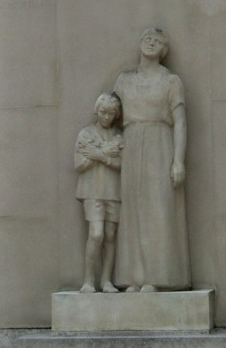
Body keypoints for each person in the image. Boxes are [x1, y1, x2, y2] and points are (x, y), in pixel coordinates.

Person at [113, 28, 190, 292]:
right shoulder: (123, 81)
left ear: (163, 50)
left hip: (160, 143)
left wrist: (178, 160)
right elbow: (112, 119)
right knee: (132, 211)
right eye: (146, 37)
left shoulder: (171, 81)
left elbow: (180, 122)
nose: (150, 41)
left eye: (156, 40)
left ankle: (159, 278)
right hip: (131, 144)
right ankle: (133, 277)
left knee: (159, 211)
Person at [74, 92, 124, 293]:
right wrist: (105, 152)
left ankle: (106, 281)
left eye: (111, 113)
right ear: (97, 111)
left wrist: (100, 156)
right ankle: (88, 280)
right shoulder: (85, 134)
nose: (106, 117)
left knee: (110, 235)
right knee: (96, 234)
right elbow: (79, 164)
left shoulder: (119, 136)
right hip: (92, 190)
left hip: (113, 190)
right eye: (103, 112)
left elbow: (122, 165)